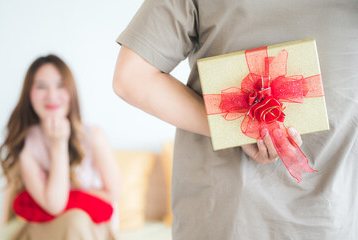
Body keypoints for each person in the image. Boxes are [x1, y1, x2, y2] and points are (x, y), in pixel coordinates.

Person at [113, 0, 358, 239]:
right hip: (330, 216)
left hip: (222, 215)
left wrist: (233, 127)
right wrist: (239, 129)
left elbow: (132, 77)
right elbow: (131, 79)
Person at [0, 54, 120, 240]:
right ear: (29, 93)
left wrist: (70, 197)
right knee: (73, 221)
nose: (51, 95)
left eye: (60, 85)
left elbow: (113, 193)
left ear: (71, 91)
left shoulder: (93, 136)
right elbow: (54, 205)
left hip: (90, 227)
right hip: (47, 228)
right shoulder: (26, 145)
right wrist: (58, 144)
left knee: (76, 220)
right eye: (41, 86)